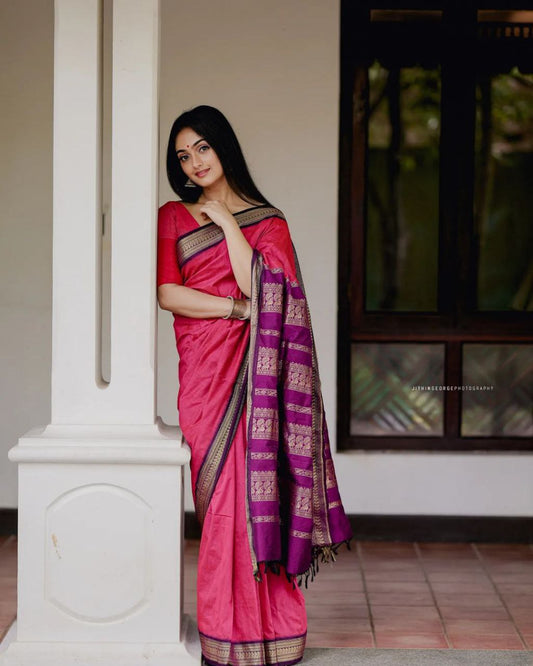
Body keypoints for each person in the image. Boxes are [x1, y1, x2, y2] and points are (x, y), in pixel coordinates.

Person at [157, 105, 352, 666]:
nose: (193, 162)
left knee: (258, 500)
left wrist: (225, 224)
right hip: (207, 379)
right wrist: (237, 311)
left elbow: (262, 285)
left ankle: (274, 634)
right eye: (182, 155)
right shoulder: (172, 215)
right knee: (221, 506)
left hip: (257, 377)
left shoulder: (270, 222)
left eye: (202, 148)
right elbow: (170, 294)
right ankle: (227, 635)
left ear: (224, 148)